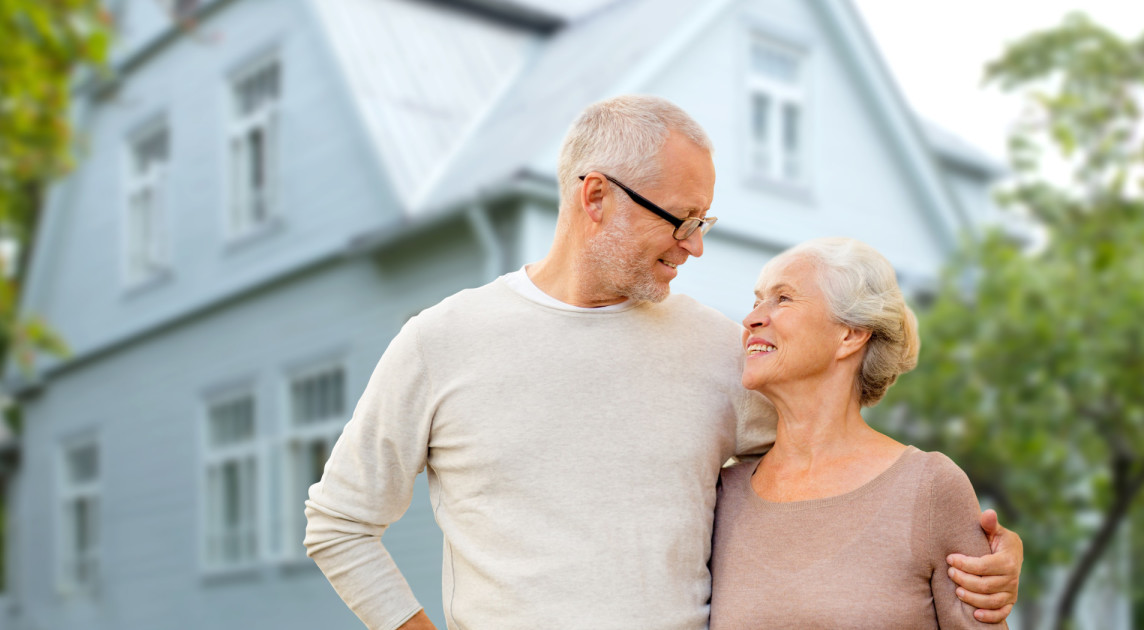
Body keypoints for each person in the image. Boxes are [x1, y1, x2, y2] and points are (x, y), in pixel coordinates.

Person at [304, 95, 1021, 630]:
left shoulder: (720, 353)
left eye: (703, 223)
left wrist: (980, 561)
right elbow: (338, 523)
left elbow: (839, 467)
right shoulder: (441, 341)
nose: (694, 245)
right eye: (682, 219)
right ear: (595, 197)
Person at [710, 237, 1010, 628]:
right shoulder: (722, 494)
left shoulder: (929, 487)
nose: (751, 320)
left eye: (782, 299)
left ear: (850, 334)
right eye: (756, 302)